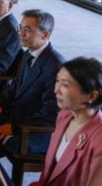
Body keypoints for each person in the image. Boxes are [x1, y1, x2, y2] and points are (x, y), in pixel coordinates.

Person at [0, 9, 65, 154]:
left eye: (27, 30)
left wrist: (15, 127)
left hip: (33, 131)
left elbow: (50, 114)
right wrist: (1, 104)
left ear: (45, 35)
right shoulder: (28, 53)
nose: (21, 33)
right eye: (20, 28)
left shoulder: (57, 66)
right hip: (17, 116)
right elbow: (15, 84)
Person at [32, 57, 102, 185]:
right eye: (57, 81)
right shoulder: (64, 116)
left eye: (65, 85)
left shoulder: (99, 139)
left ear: (91, 96)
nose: (56, 90)